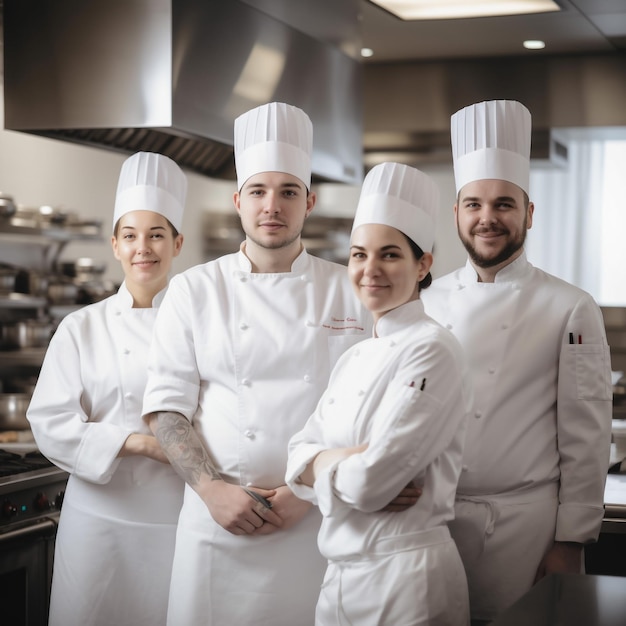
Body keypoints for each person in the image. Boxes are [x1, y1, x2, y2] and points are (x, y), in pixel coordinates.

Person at [141, 102, 382, 625]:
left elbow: (370, 412)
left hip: (316, 519)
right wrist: (211, 490)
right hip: (218, 522)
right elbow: (166, 409)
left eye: (288, 191)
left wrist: (308, 491)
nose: (272, 205)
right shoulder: (193, 289)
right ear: (238, 201)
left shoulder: (351, 289)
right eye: (258, 191)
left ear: (310, 202)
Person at [421, 99, 613, 623]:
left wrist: (571, 540)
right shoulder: (426, 302)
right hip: (430, 526)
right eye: (474, 204)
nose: (488, 218)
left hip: (523, 530)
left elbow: (587, 432)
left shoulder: (571, 305)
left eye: (504, 204)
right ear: (456, 214)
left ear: (528, 214)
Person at [285, 161, 472, 626]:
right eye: (358, 254)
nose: (370, 270)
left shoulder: (433, 350)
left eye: (389, 255)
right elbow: (294, 458)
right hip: (339, 581)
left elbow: (370, 484)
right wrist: (337, 460)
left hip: (406, 580)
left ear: (423, 263)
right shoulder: (354, 357)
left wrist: (320, 462)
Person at [27, 151, 187, 626]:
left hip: (177, 518)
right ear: (114, 245)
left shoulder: (198, 325)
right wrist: (138, 443)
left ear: (177, 243)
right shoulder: (81, 328)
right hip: (98, 521)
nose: (144, 248)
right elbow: (50, 422)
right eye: (131, 235)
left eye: (157, 234)